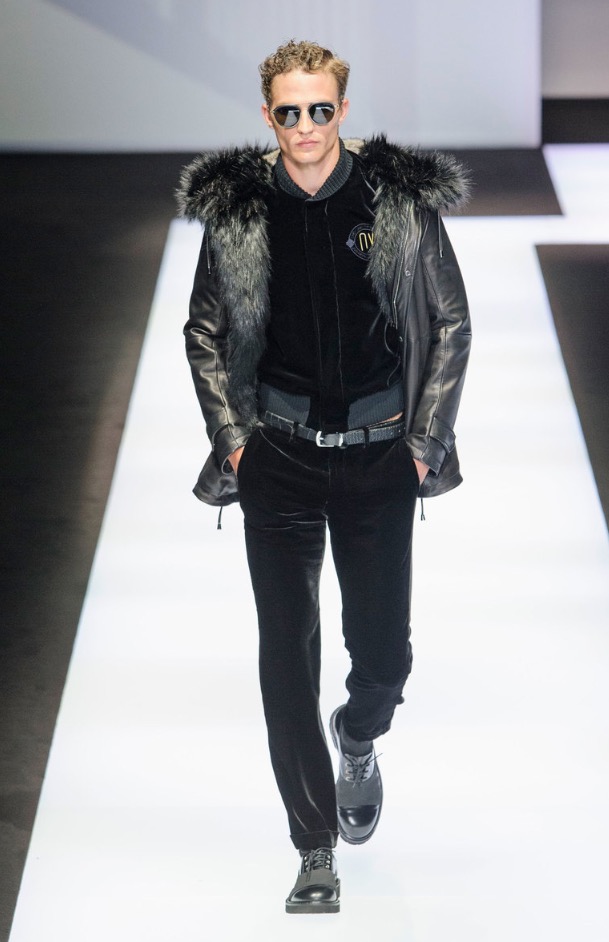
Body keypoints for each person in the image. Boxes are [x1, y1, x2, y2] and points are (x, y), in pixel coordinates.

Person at [177, 38, 471, 914]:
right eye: (288, 112)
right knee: (285, 655)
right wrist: (234, 441)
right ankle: (312, 845)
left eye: (318, 109)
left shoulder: (395, 199)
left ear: (341, 110)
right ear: (268, 117)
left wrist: (423, 441)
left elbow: (449, 321)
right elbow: (203, 330)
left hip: (380, 455)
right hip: (278, 457)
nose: (304, 125)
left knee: (383, 658)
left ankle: (359, 734)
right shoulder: (240, 211)